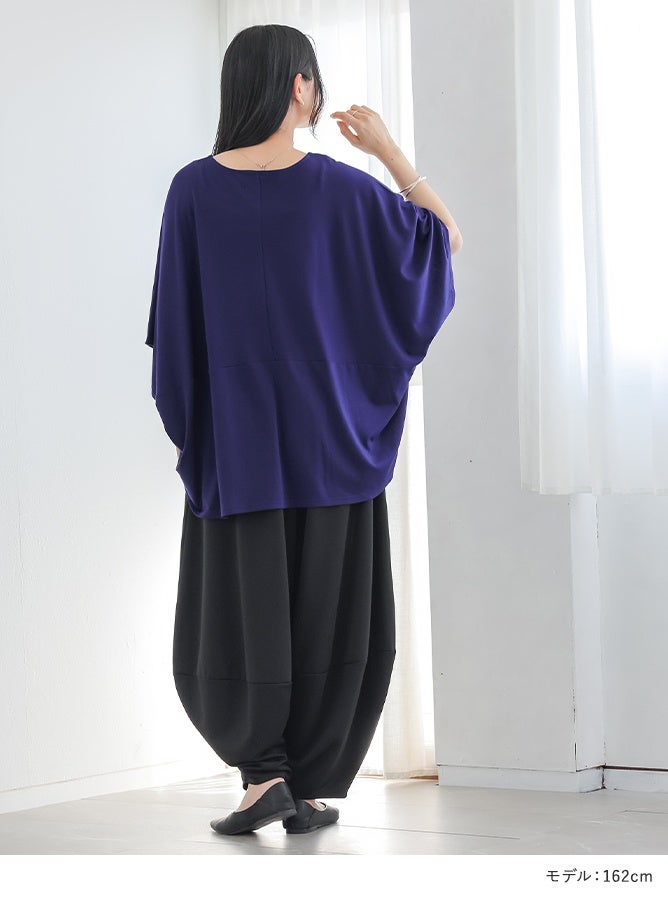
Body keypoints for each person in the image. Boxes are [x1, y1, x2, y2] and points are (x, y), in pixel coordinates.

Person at [146, 23, 462, 837]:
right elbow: (442, 244)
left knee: (243, 613)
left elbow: (174, 326)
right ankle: (310, 786)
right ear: (300, 86)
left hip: (238, 445)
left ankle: (267, 779)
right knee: (329, 611)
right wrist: (389, 153)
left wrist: (191, 430)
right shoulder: (344, 189)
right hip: (331, 444)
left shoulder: (192, 189)